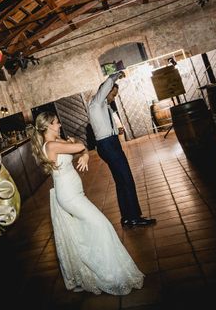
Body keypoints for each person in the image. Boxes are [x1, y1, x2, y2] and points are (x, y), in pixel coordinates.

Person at [30, 112, 144, 295]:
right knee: (102, 225)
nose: (59, 125)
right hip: (69, 196)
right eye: (57, 123)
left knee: (87, 231)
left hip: (74, 193)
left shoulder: (57, 143)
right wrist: (78, 148)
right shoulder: (51, 145)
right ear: (49, 126)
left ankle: (92, 270)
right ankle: (111, 275)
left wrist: (85, 155)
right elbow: (81, 145)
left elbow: (80, 149)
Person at [88, 71, 156, 228]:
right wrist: (116, 74)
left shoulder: (104, 105)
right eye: (113, 94)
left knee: (121, 182)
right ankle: (135, 217)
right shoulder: (96, 103)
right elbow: (107, 85)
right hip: (107, 145)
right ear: (105, 91)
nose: (114, 97)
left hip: (110, 144)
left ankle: (126, 217)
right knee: (127, 179)